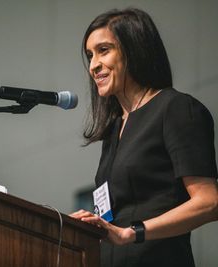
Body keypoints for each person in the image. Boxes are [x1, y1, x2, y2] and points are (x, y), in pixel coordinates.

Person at [69, 8, 218, 267]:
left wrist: (131, 232)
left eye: (104, 50)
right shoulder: (115, 128)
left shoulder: (176, 108)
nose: (93, 65)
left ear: (133, 50)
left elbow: (209, 203)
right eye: (90, 55)